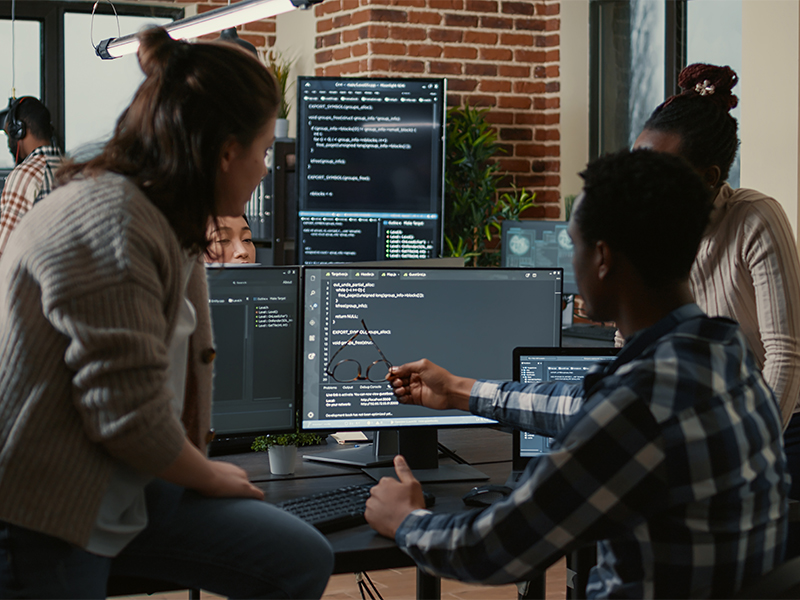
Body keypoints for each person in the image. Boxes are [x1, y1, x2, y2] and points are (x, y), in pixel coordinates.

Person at [365, 150, 789, 598]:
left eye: (575, 245)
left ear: (602, 257)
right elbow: (583, 406)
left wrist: (406, 521)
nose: (573, 266)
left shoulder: (636, 405)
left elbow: (492, 549)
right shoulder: (726, 354)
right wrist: (458, 390)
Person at [0, 28, 333, 599]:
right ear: (226, 151)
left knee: (300, 559)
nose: (265, 168)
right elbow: (123, 415)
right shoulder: (112, 221)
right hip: (48, 509)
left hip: (136, 488)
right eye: (263, 149)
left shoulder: (167, 219)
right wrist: (210, 474)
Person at [631, 62, 800, 530]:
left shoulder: (755, 219)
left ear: (708, 177)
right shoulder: (648, 229)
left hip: (778, 417)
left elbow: (784, 356)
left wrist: (741, 448)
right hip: (701, 420)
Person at [0, 96, 63, 259]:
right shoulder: (71, 169)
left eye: (9, 135)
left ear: (19, 131)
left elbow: (4, 250)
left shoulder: (26, 175)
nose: (9, 144)